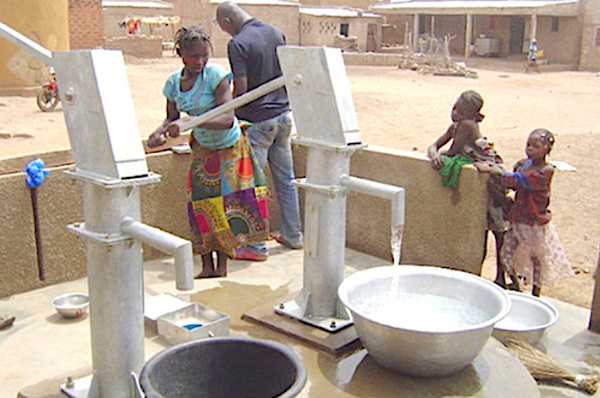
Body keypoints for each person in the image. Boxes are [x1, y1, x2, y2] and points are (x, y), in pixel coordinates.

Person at [147, 24, 269, 278]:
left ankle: (222, 266)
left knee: (227, 205)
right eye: (194, 56)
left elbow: (226, 118)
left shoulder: (216, 76)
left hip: (229, 146)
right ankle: (207, 266)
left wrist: (190, 121)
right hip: (202, 147)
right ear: (182, 55)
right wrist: (159, 132)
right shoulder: (173, 83)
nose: (200, 61)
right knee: (201, 206)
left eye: (204, 55)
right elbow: (171, 118)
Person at [216, 1, 303, 262]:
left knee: (252, 186)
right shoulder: (275, 32)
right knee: (286, 180)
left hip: (258, 123)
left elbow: (241, 91)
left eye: (222, 28)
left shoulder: (238, 44)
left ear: (227, 21)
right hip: (284, 118)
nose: (225, 33)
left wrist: (223, 113)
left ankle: (256, 247)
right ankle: (293, 235)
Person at [427, 90, 513, 288]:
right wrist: (434, 154)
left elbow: (452, 151)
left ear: (472, 115)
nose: (455, 113)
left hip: (492, 176)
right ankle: (492, 275)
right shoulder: (455, 126)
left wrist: (439, 155)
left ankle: (502, 276)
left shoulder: (467, 126)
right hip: (482, 176)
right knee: (486, 230)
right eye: (454, 108)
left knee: (497, 230)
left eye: (461, 111)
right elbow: (433, 146)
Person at [475, 129, 573, 296]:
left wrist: (496, 171)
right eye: (528, 145)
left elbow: (521, 181)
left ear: (547, 149)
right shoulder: (524, 164)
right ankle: (518, 287)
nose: (530, 149)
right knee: (507, 254)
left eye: (535, 146)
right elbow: (513, 182)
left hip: (533, 221)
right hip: (519, 217)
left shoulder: (546, 170)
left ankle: (536, 293)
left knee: (536, 259)